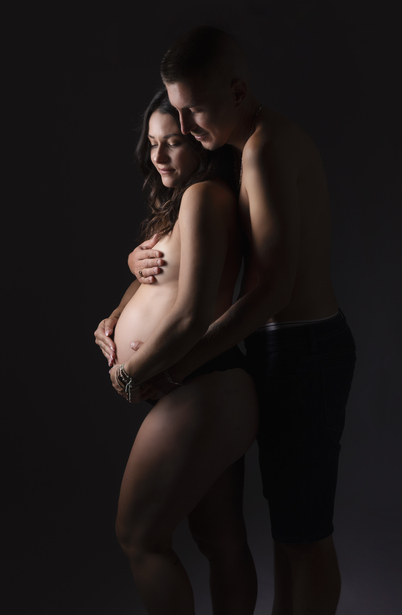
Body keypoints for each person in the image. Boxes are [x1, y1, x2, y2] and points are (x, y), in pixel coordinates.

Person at [123, 26, 357, 615]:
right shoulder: (237, 147)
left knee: (304, 534)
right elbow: (187, 248)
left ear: (237, 90)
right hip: (277, 348)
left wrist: (177, 370)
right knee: (286, 532)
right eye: (177, 111)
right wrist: (135, 265)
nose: (185, 126)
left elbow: (274, 290)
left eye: (195, 110)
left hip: (303, 348)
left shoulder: (266, 148)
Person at [95, 87, 259, 614]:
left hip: (203, 382)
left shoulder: (203, 196)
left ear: (201, 143)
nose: (158, 156)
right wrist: (116, 317)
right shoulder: (185, 202)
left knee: (138, 537)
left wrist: (128, 374)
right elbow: (161, 283)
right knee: (221, 541)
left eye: (173, 143)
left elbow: (192, 315)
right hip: (207, 388)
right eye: (152, 143)